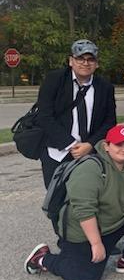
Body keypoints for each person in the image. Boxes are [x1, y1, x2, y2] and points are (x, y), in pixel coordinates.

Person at [25, 125, 124, 280]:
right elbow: (84, 210)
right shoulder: (91, 167)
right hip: (84, 230)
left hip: (114, 222)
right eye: (118, 144)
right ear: (106, 146)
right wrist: (96, 244)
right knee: (85, 277)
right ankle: (42, 258)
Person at [36, 39, 116, 188]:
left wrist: (90, 145)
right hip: (57, 152)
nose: (85, 63)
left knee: (87, 197)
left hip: (90, 155)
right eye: (80, 58)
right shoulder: (55, 80)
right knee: (57, 200)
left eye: (90, 59)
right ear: (71, 61)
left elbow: (110, 122)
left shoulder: (105, 87)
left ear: (97, 64)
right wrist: (71, 144)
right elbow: (44, 116)